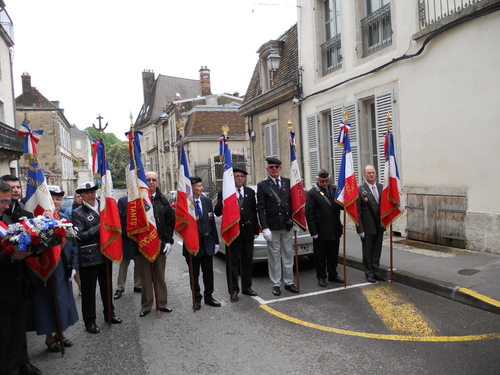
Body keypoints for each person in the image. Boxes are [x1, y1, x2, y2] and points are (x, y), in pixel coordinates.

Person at [24, 186, 79, 353]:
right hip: (43, 269)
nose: (55, 202)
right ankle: (49, 337)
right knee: (45, 303)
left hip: (62, 268)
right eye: (52, 199)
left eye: (58, 199)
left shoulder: (63, 219)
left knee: (62, 301)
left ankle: (60, 333)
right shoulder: (36, 222)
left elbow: (73, 244)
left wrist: (74, 265)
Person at [0, 177, 42, 375]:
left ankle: (18, 366)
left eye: (8, 202)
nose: (7, 206)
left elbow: (13, 242)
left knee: (16, 337)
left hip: (14, 288)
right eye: (2, 202)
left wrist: (33, 246)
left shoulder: (4, 219)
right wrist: (11, 256)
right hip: (2, 294)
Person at [72, 182, 122, 333]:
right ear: (80, 195)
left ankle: (109, 314)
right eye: (86, 193)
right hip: (89, 257)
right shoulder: (77, 213)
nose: (91, 195)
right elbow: (80, 236)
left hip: (106, 253)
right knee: (89, 291)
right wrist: (100, 226)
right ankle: (90, 321)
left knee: (107, 287)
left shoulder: (105, 208)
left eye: (93, 191)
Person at [214, 167, 259, 302]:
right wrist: (223, 202)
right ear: (231, 178)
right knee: (233, 263)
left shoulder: (250, 192)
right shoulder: (225, 193)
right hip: (233, 232)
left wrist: (256, 231)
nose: (239, 178)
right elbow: (217, 212)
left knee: (247, 262)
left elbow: (254, 212)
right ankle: (233, 290)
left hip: (247, 231)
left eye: (241, 176)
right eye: (236, 176)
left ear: (244, 178)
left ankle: (247, 286)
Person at [257, 157, 299, 296]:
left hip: (286, 225)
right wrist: (265, 228)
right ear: (267, 169)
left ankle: (289, 282)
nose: (274, 169)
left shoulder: (288, 182)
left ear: (280, 168)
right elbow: (261, 208)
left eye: (276, 167)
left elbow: (294, 203)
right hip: (272, 226)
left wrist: (296, 222)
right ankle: (276, 283)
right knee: (274, 256)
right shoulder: (263, 185)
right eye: (271, 167)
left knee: (288, 254)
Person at [135, 172, 174, 317]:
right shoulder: (136, 201)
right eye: (148, 180)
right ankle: (146, 306)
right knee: (145, 278)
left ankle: (162, 303)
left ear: (157, 182)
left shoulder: (163, 200)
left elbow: (170, 223)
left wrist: (169, 241)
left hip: (160, 244)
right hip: (142, 245)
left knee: (160, 276)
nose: (151, 182)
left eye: (153, 180)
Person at [183, 176, 220, 310]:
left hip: (208, 242)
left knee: (208, 272)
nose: (202, 188)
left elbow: (211, 223)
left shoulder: (206, 201)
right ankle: (196, 298)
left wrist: (216, 241)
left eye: (201, 185)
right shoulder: (185, 204)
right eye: (199, 186)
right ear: (192, 188)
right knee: (194, 274)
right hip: (193, 244)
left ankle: (209, 296)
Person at [305, 169, 344, 287]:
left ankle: (333, 274)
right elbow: (309, 213)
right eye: (322, 181)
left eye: (327, 180)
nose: (325, 183)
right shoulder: (312, 193)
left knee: (333, 254)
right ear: (317, 180)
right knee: (320, 256)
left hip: (334, 228)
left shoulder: (334, 190)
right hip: (320, 230)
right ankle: (321, 277)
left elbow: (341, 205)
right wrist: (313, 231)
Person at [356, 165, 386, 283]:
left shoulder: (381, 187)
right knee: (367, 251)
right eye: (368, 173)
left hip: (379, 225)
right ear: (364, 175)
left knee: (377, 250)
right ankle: (369, 273)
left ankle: (376, 271)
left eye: (373, 172)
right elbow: (357, 212)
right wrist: (360, 229)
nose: (371, 175)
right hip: (367, 227)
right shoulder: (360, 190)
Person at [113, 196, 141, 300]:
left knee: (139, 262)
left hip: (139, 237)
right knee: (124, 263)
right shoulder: (122, 200)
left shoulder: (142, 198)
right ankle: (120, 287)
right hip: (126, 237)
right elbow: (119, 219)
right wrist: (128, 233)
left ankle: (138, 285)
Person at [63, 194, 82, 295]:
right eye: (78, 197)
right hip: (73, 239)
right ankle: (80, 286)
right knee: (75, 265)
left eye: (81, 196)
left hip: (83, 239)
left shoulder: (87, 209)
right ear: (74, 198)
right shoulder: (69, 211)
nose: (80, 198)